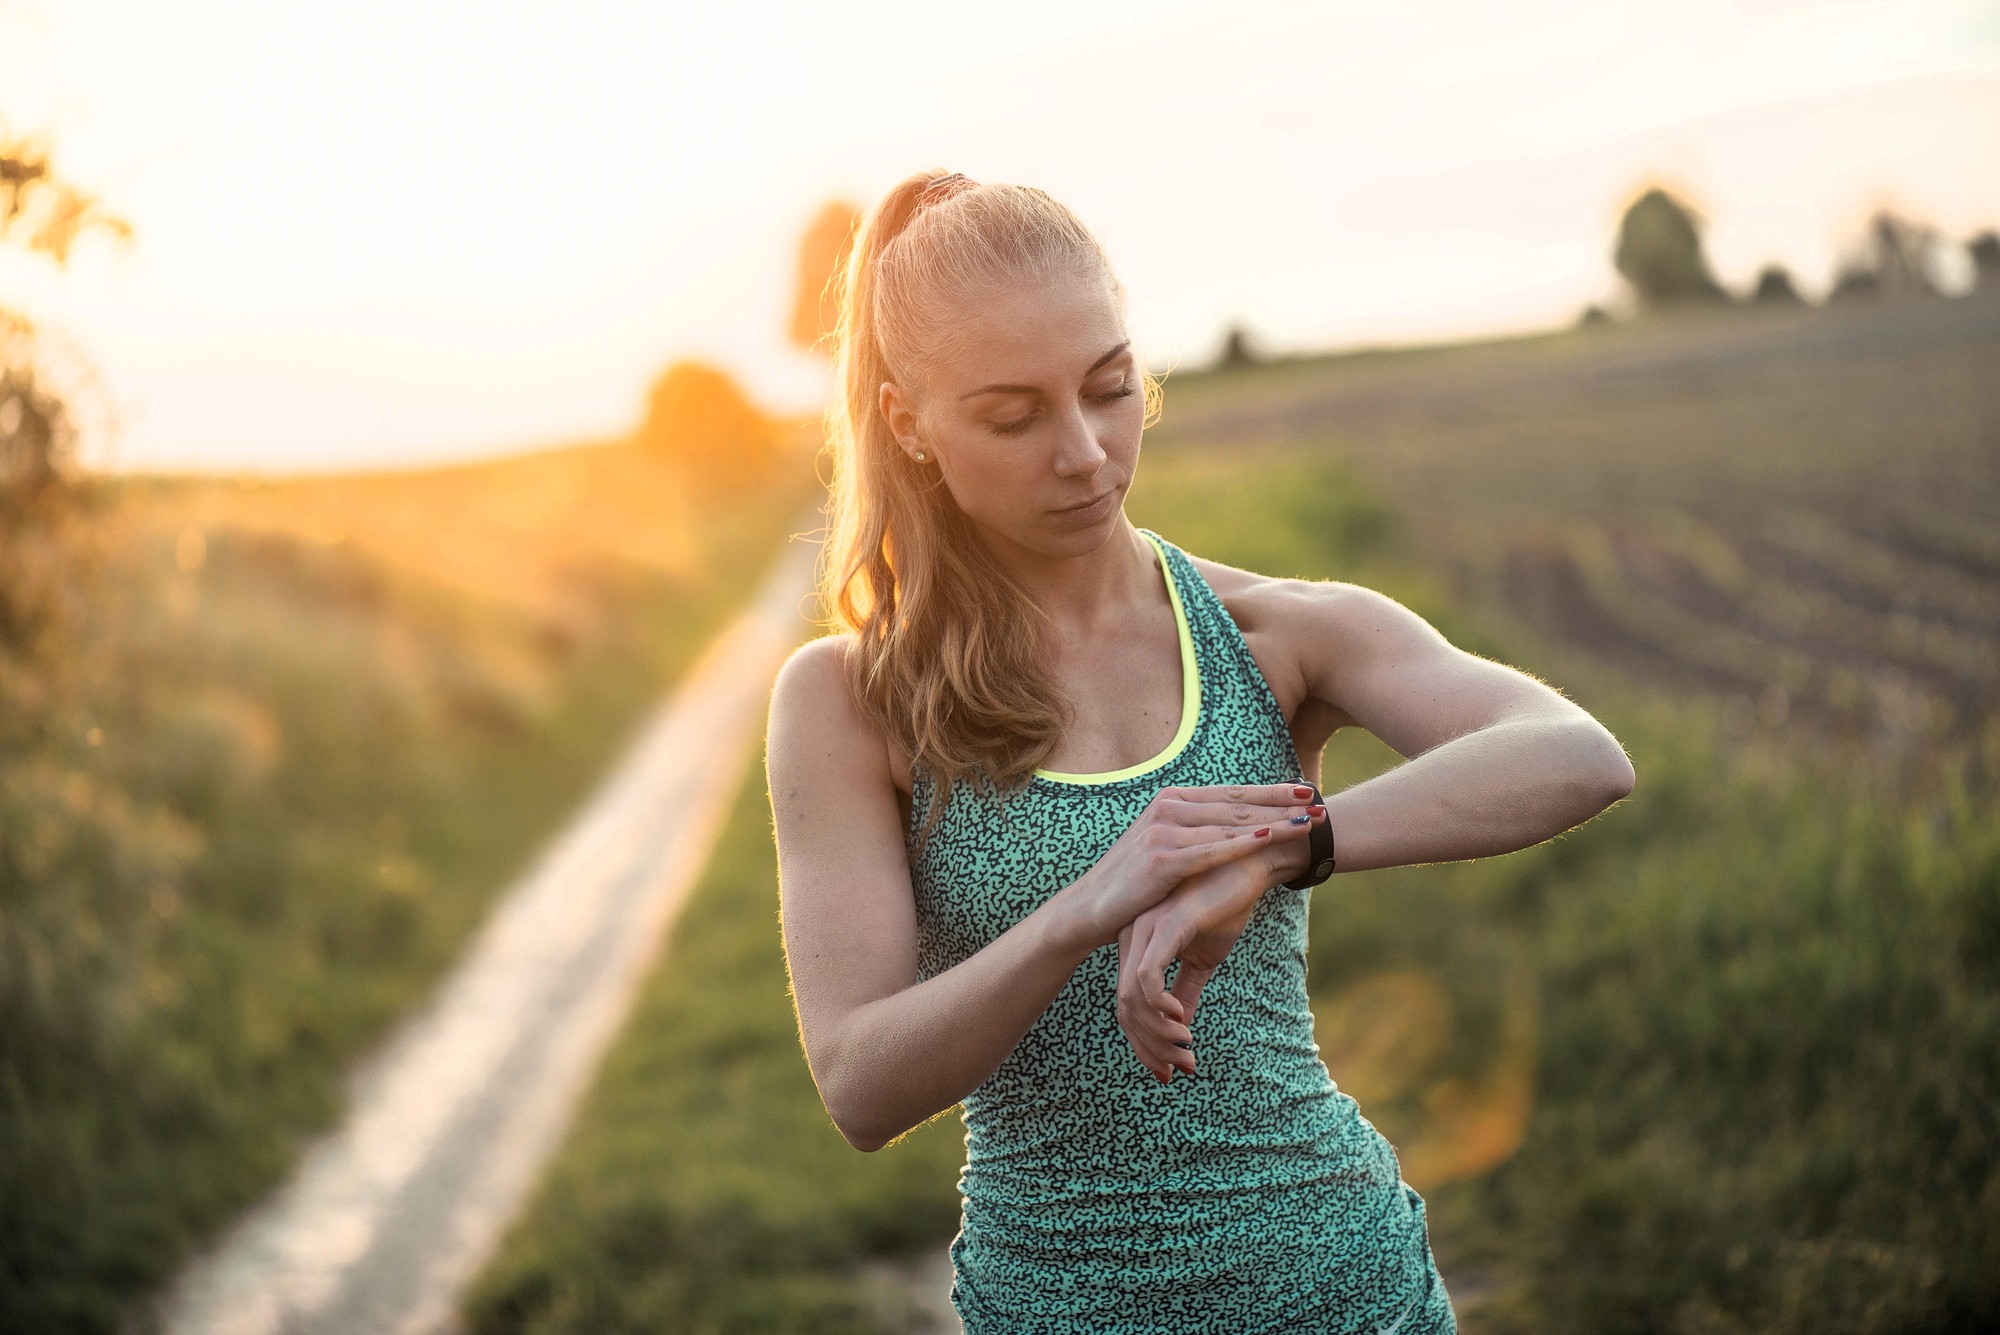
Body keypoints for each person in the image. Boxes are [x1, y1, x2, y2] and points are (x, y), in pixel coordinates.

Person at [765, 169, 1635, 1334]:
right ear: (908, 424)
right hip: (1057, 1308)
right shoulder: (850, 700)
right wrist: (1086, 906)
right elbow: (860, 1085)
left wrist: (1284, 849)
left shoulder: (1273, 633)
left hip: (1346, 1288)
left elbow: (1573, 754)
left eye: (1108, 388)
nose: (1082, 451)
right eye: (1013, 416)